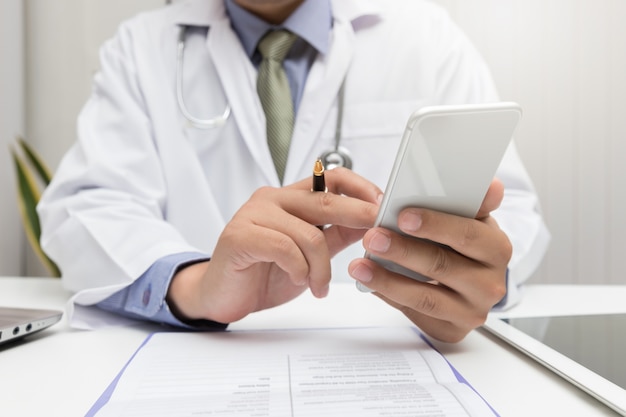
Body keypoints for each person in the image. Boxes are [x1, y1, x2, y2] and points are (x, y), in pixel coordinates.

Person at [38, 0, 550, 342]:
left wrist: (469, 280)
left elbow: (516, 213)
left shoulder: (426, 34)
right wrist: (193, 286)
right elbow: (86, 208)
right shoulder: (141, 46)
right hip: (207, 359)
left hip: (388, 360)